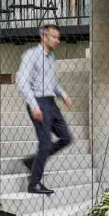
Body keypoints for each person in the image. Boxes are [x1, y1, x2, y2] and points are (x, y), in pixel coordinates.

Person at [16, 23, 73, 195]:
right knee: (45, 143)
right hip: (38, 102)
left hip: (51, 102)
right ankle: (34, 184)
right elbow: (22, 81)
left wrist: (63, 95)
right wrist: (34, 105)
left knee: (66, 137)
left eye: (58, 38)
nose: (57, 41)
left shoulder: (51, 57)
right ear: (43, 36)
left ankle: (32, 162)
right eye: (54, 37)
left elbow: (52, 82)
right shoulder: (31, 55)